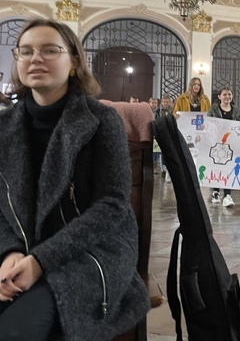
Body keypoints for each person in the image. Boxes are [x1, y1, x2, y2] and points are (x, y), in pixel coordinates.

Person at [0, 19, 149, 340]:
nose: (35, 58)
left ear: (74, 63)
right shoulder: (4, 126)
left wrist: (40, 260)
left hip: (92, 251)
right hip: (21, 249)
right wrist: (8, 252)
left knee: (17, 330)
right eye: (26, 51)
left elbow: (111, 206)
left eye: (49, 50)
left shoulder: (99, 119)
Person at [207, 87, 240, 207]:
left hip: (230, 144)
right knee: (216, 167)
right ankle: (216, 191)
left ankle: (227, 194)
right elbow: (209, 123)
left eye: (229, 94)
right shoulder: (213, 109)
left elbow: (239, 123)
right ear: (219, 96)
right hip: (216, 143)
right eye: (225, 95)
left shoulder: (235, 110)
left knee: (228, 168)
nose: (227, 97)